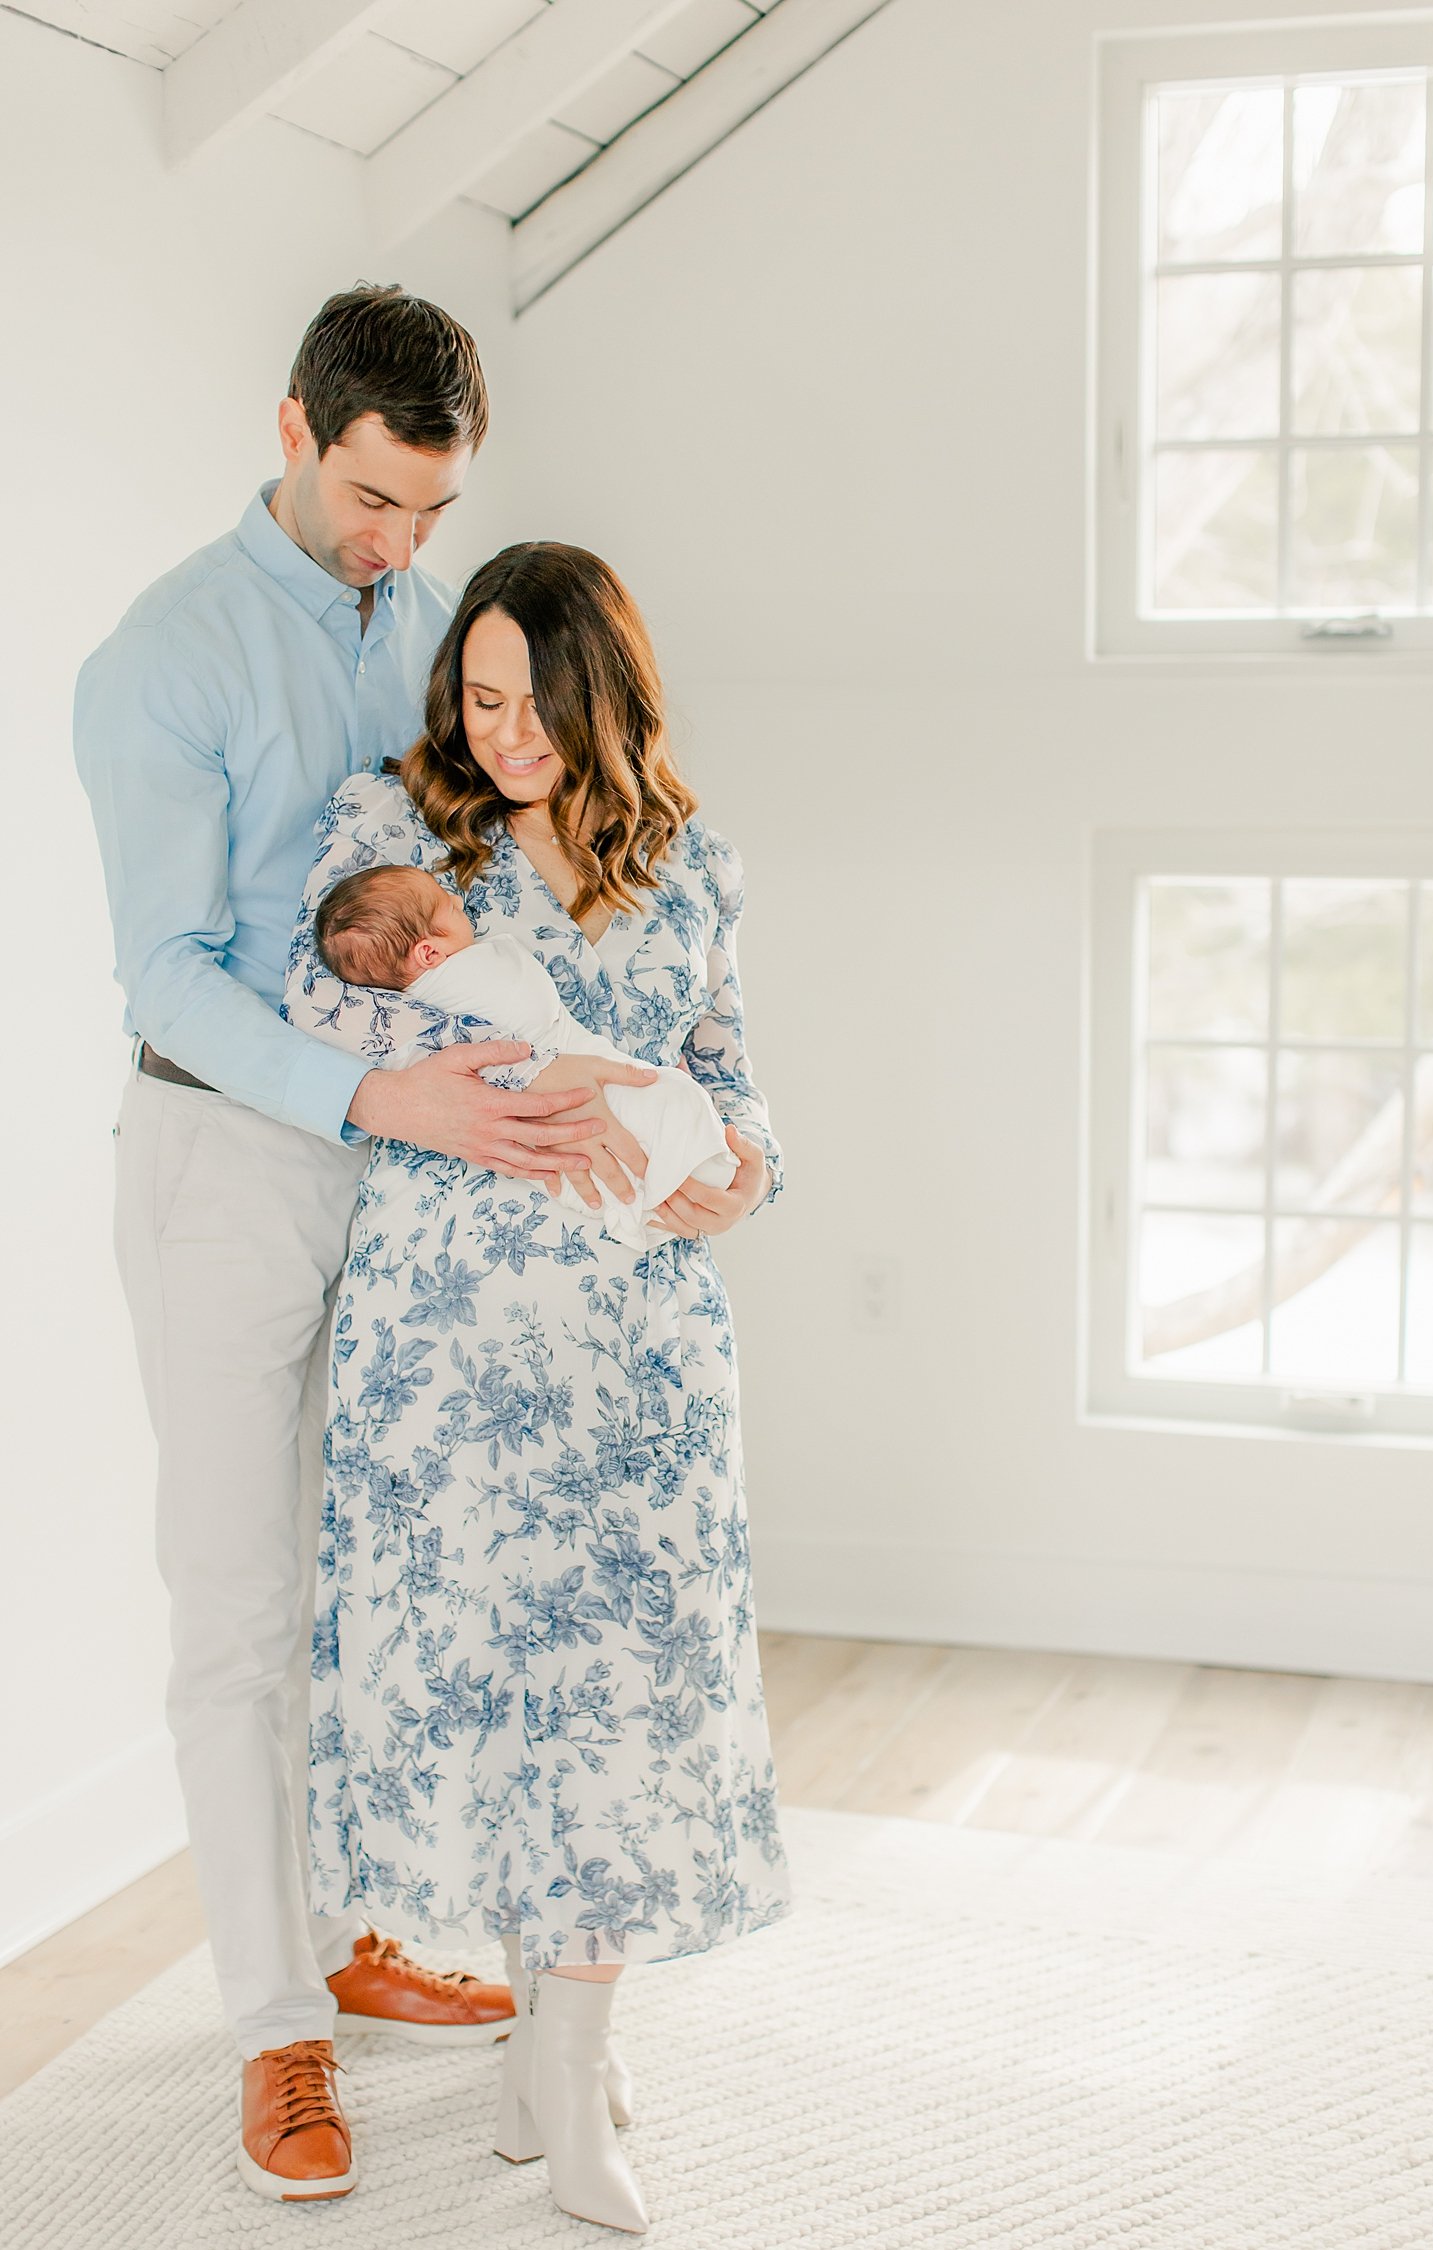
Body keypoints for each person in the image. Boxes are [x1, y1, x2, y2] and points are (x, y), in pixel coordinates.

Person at [74, 284, 656, 2207]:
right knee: (238, 1609)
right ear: (297, 427)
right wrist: (374, 1102)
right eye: (374, 498)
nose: (399, 544)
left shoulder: (435, 626)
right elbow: (166, 962)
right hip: (227, 1153)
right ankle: (274, 2030)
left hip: (418, 1178)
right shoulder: (160, 655)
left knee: (372, 1592)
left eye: (431, 505)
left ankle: (351, 1929)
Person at [283, 541, 791, 2235]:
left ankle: (563, 2060)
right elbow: (322, 1008)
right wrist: (469, 1058)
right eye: (477, 698)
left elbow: (734, 1082)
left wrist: (750, 1172)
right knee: (507, 1705)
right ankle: (554, 2070)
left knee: (622, 1717)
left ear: (605, 695)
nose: (501, 733)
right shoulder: (396, 832)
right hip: (450, 1346)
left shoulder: (690, 859)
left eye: (532, 703)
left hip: (641, 1350)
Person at [313, 862, 737, 1243]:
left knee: (664, 1110)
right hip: (503, 1172)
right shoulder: (453, 986)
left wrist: (760, 1175)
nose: (460, 902)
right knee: (671, 1101)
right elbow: (530, 1011)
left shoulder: (706, 861)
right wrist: (538, 1073)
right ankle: (676, 1184)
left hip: (619, 1224)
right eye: (449, 906)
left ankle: (676, 1188)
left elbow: (729, 1067)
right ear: (429, 952)